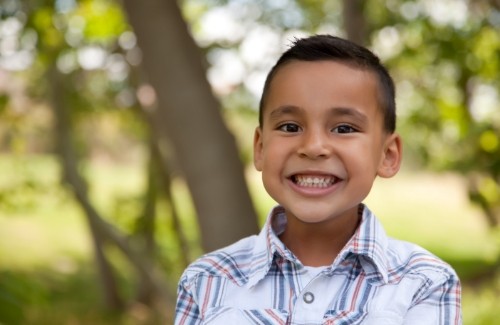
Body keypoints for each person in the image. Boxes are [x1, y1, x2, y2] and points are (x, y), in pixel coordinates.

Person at [174, 34, 462, 324]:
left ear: (387, 155)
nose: (313, 147)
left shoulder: (424, 283)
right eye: (289, 126)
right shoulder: (207, 281)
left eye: (344, 128)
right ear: (260, 148)